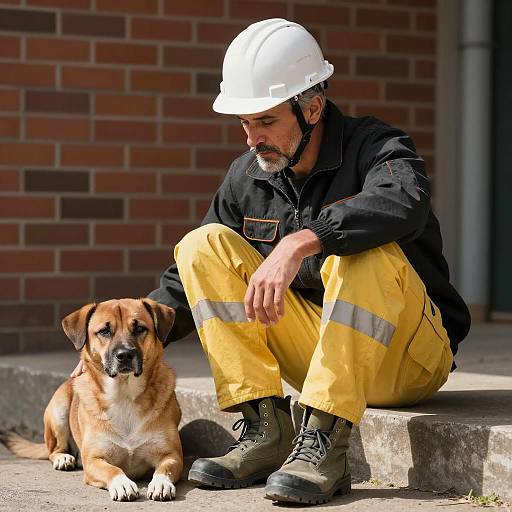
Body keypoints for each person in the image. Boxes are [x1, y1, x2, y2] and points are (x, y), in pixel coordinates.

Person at [72, 18, 471, 505]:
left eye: (265, 121)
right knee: (202, 245)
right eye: (244, 123)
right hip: (324, 357)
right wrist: (121, 340)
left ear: (313, 108)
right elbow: (185, 282)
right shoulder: (247, 175)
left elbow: (403, 202)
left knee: (360, 253)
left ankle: (323, 441)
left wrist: (304, 239)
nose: (250, 138)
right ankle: (264, 428)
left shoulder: (378, 147)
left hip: (408, 359)